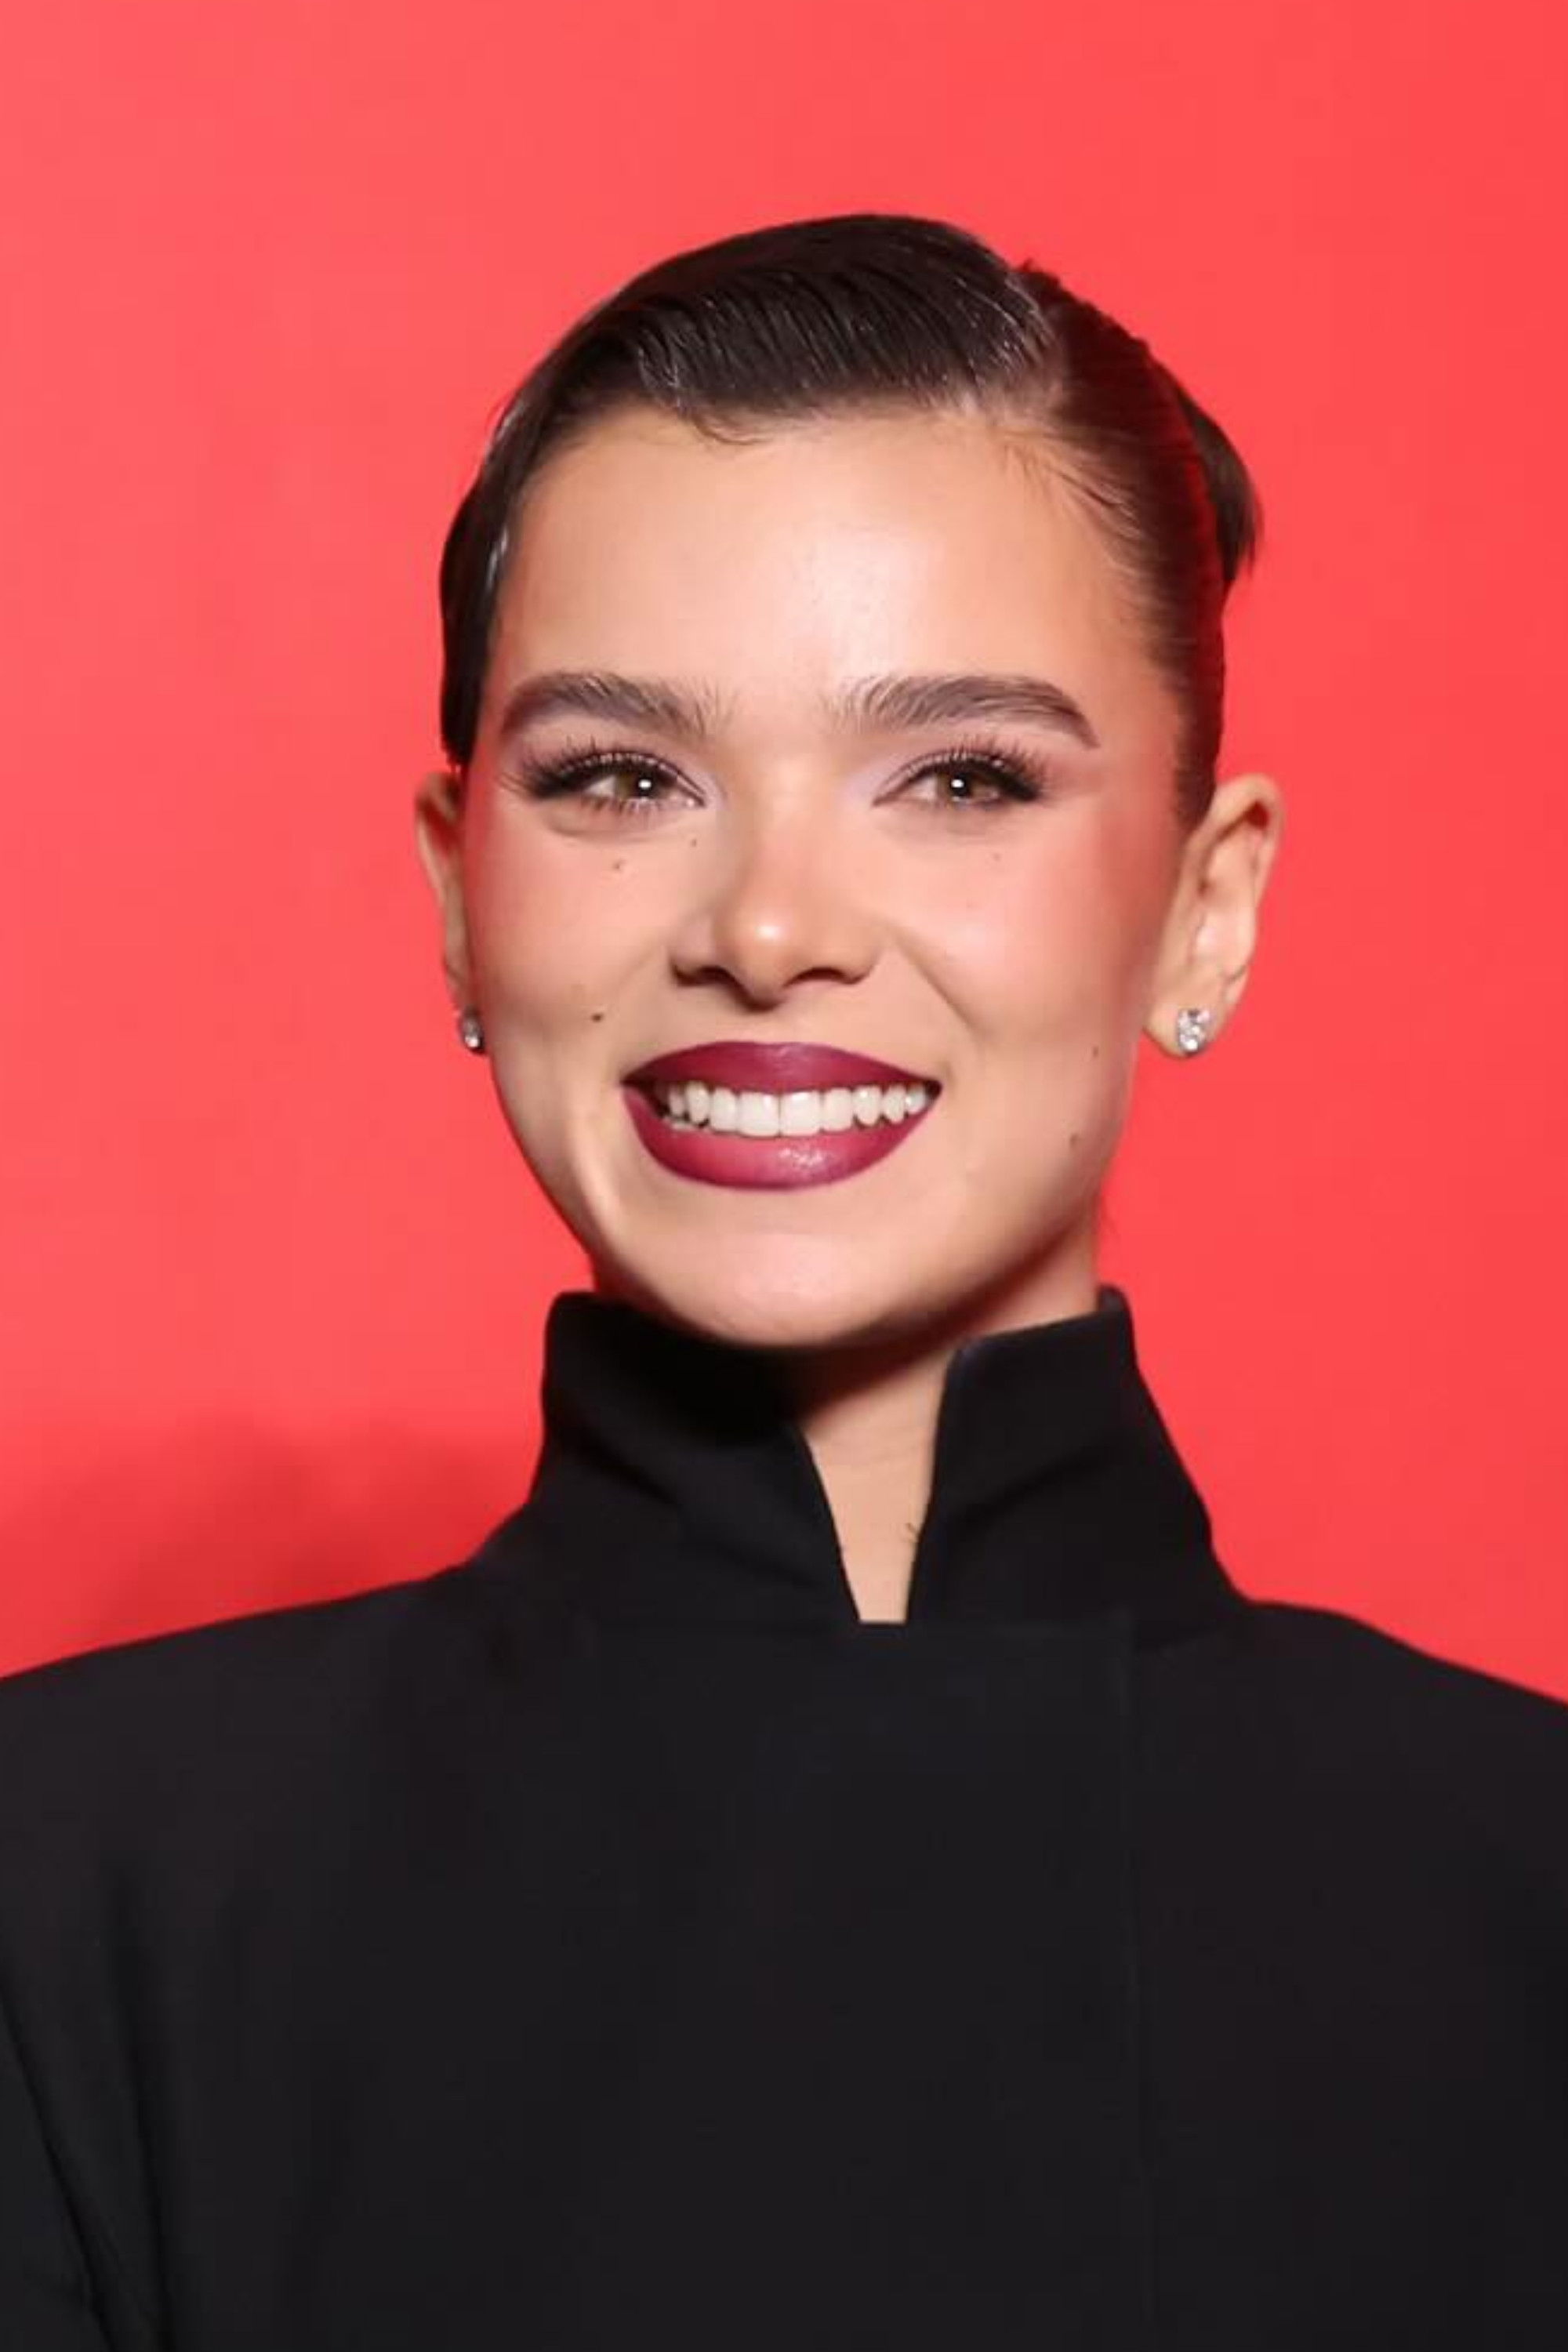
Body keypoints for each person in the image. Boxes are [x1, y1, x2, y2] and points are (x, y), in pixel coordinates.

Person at [1, 212, 1564, 2350]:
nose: (766, 927)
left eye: (962, 779)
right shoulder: (71, 1887)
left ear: (1207, 905)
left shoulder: (1519, 1898)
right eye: (622, 777)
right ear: (461, 895)